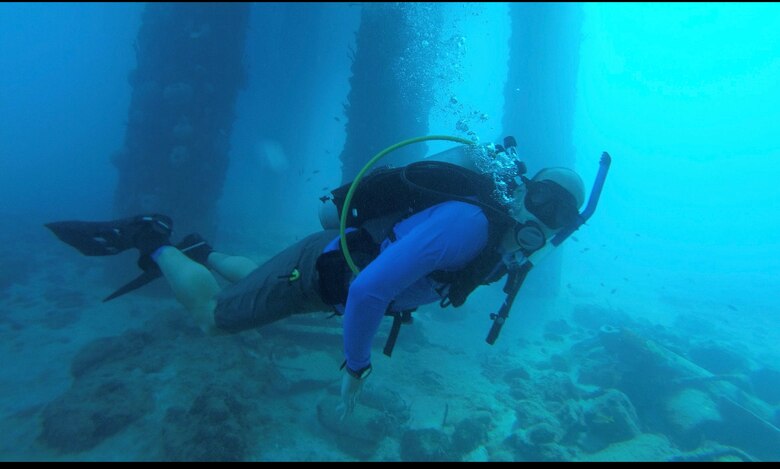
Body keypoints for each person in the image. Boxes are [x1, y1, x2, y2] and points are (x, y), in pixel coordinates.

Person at [46, 140, 589, 420]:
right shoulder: (470, 224)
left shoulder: (505, 251)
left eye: (560, 214)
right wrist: (355, 368)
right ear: (521, 191)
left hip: (322, 270)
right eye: (541, 199)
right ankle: (155, 238)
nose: (544, 216)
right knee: (215, 319)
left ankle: (200, 252)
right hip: (323, 276)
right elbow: (371, 290)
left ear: (567, 228)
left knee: (263, 283)